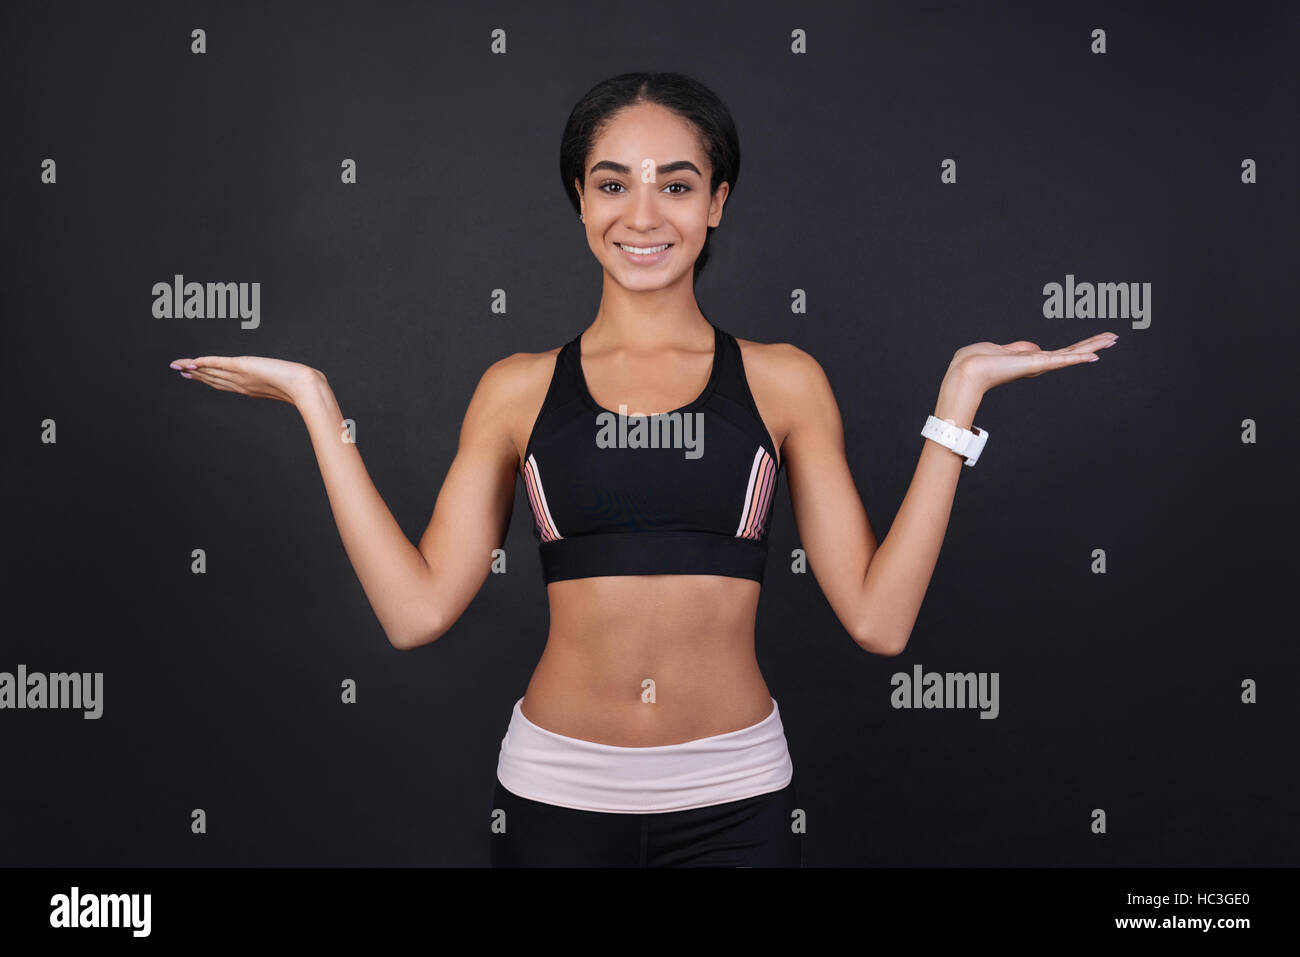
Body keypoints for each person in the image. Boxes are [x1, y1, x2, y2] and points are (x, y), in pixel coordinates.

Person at [167, 71, 1117, 867]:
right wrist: (317, 406)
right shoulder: (516, 389)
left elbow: (880, 619)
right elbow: (415, 612)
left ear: (717, 201)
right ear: (580, 200)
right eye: (613, 183)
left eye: (676, 183)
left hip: (738, 805)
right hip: (552, 800)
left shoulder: (784, 382)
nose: (643, 214)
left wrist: (957, 404)